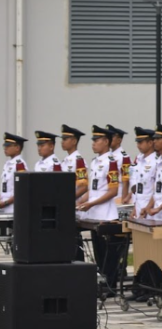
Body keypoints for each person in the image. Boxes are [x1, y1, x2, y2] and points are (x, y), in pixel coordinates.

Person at [76, 126, 123, 294]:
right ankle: (103, 283)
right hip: (94, 213)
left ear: (106, 142)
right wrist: (81, 201)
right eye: (93, 140)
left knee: (108, 255)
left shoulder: (111, 162)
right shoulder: (96, 162)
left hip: (106, 213)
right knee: (99, 252)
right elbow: (93, 189)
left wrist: (91, 203)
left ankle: (110, 285)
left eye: (97, 140)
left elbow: (113, 191)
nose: (93, 144)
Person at [130, 128, 157, 218]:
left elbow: (157, 190)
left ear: (150, 143)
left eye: (141, 142)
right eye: (137, 142)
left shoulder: (156, 162)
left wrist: (148, 207)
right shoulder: (139, 160)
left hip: (150, 209)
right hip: (139, 207)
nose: (138, 145)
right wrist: (135, 208)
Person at [0, 134, 28, 215]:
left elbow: (22, 191)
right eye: (4, 145)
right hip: (4, 208)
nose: (5, 148)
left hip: (13, 209)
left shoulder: (20, 165)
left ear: (17, 148)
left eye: (8, 146)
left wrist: (5, 203)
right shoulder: (7, 164)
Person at [60, 124, 89, 202]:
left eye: (65, 139)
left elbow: (83, 187)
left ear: (74, 141)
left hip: (74, 203)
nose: (62, 142)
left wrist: (68, 199)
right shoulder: (64, 161)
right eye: (62, 139)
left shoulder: (79, 161)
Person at [105, 125, 132, 204]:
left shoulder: (124, 157)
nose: (109, 139)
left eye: (112, 137)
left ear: (119, 140)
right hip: (106, 193)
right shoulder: (107, 155)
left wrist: (123, 199)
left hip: (118, 195)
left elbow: (126, 180)